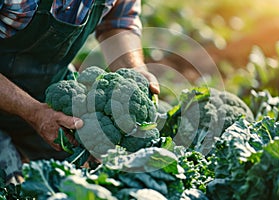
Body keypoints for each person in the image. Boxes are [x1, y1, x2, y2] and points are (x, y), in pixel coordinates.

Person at [0, 0, 160, 184]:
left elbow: (118, 20)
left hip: (49, 98)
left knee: (73, 181)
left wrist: (135, 70)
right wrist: (32, 111)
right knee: (8, 182)